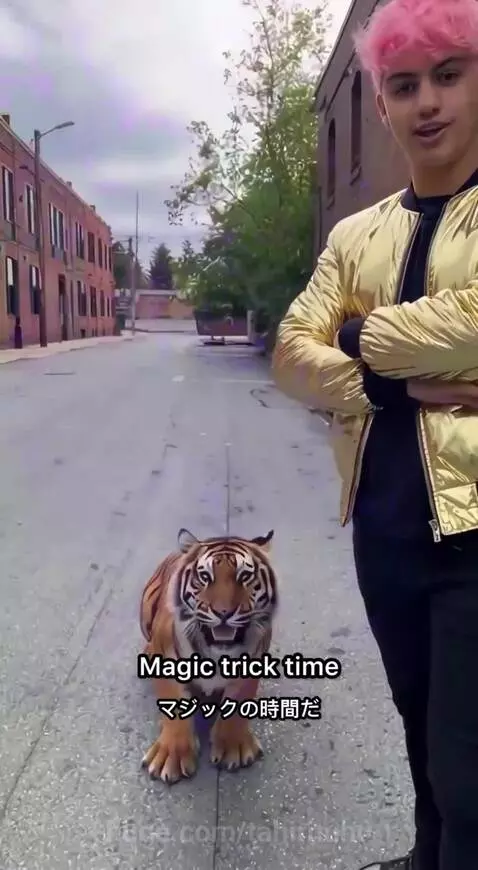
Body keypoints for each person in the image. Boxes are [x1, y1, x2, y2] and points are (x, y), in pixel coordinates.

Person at [271, 0, 478, 868]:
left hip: (473, 541)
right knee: (419, 731)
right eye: (403, 85)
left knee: (469, 770)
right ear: (384, 106)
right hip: (385, 533)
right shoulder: (356, 235)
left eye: (448, 76)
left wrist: (356, 337)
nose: (426, 101)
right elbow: (290, 352)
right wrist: (396, 383)